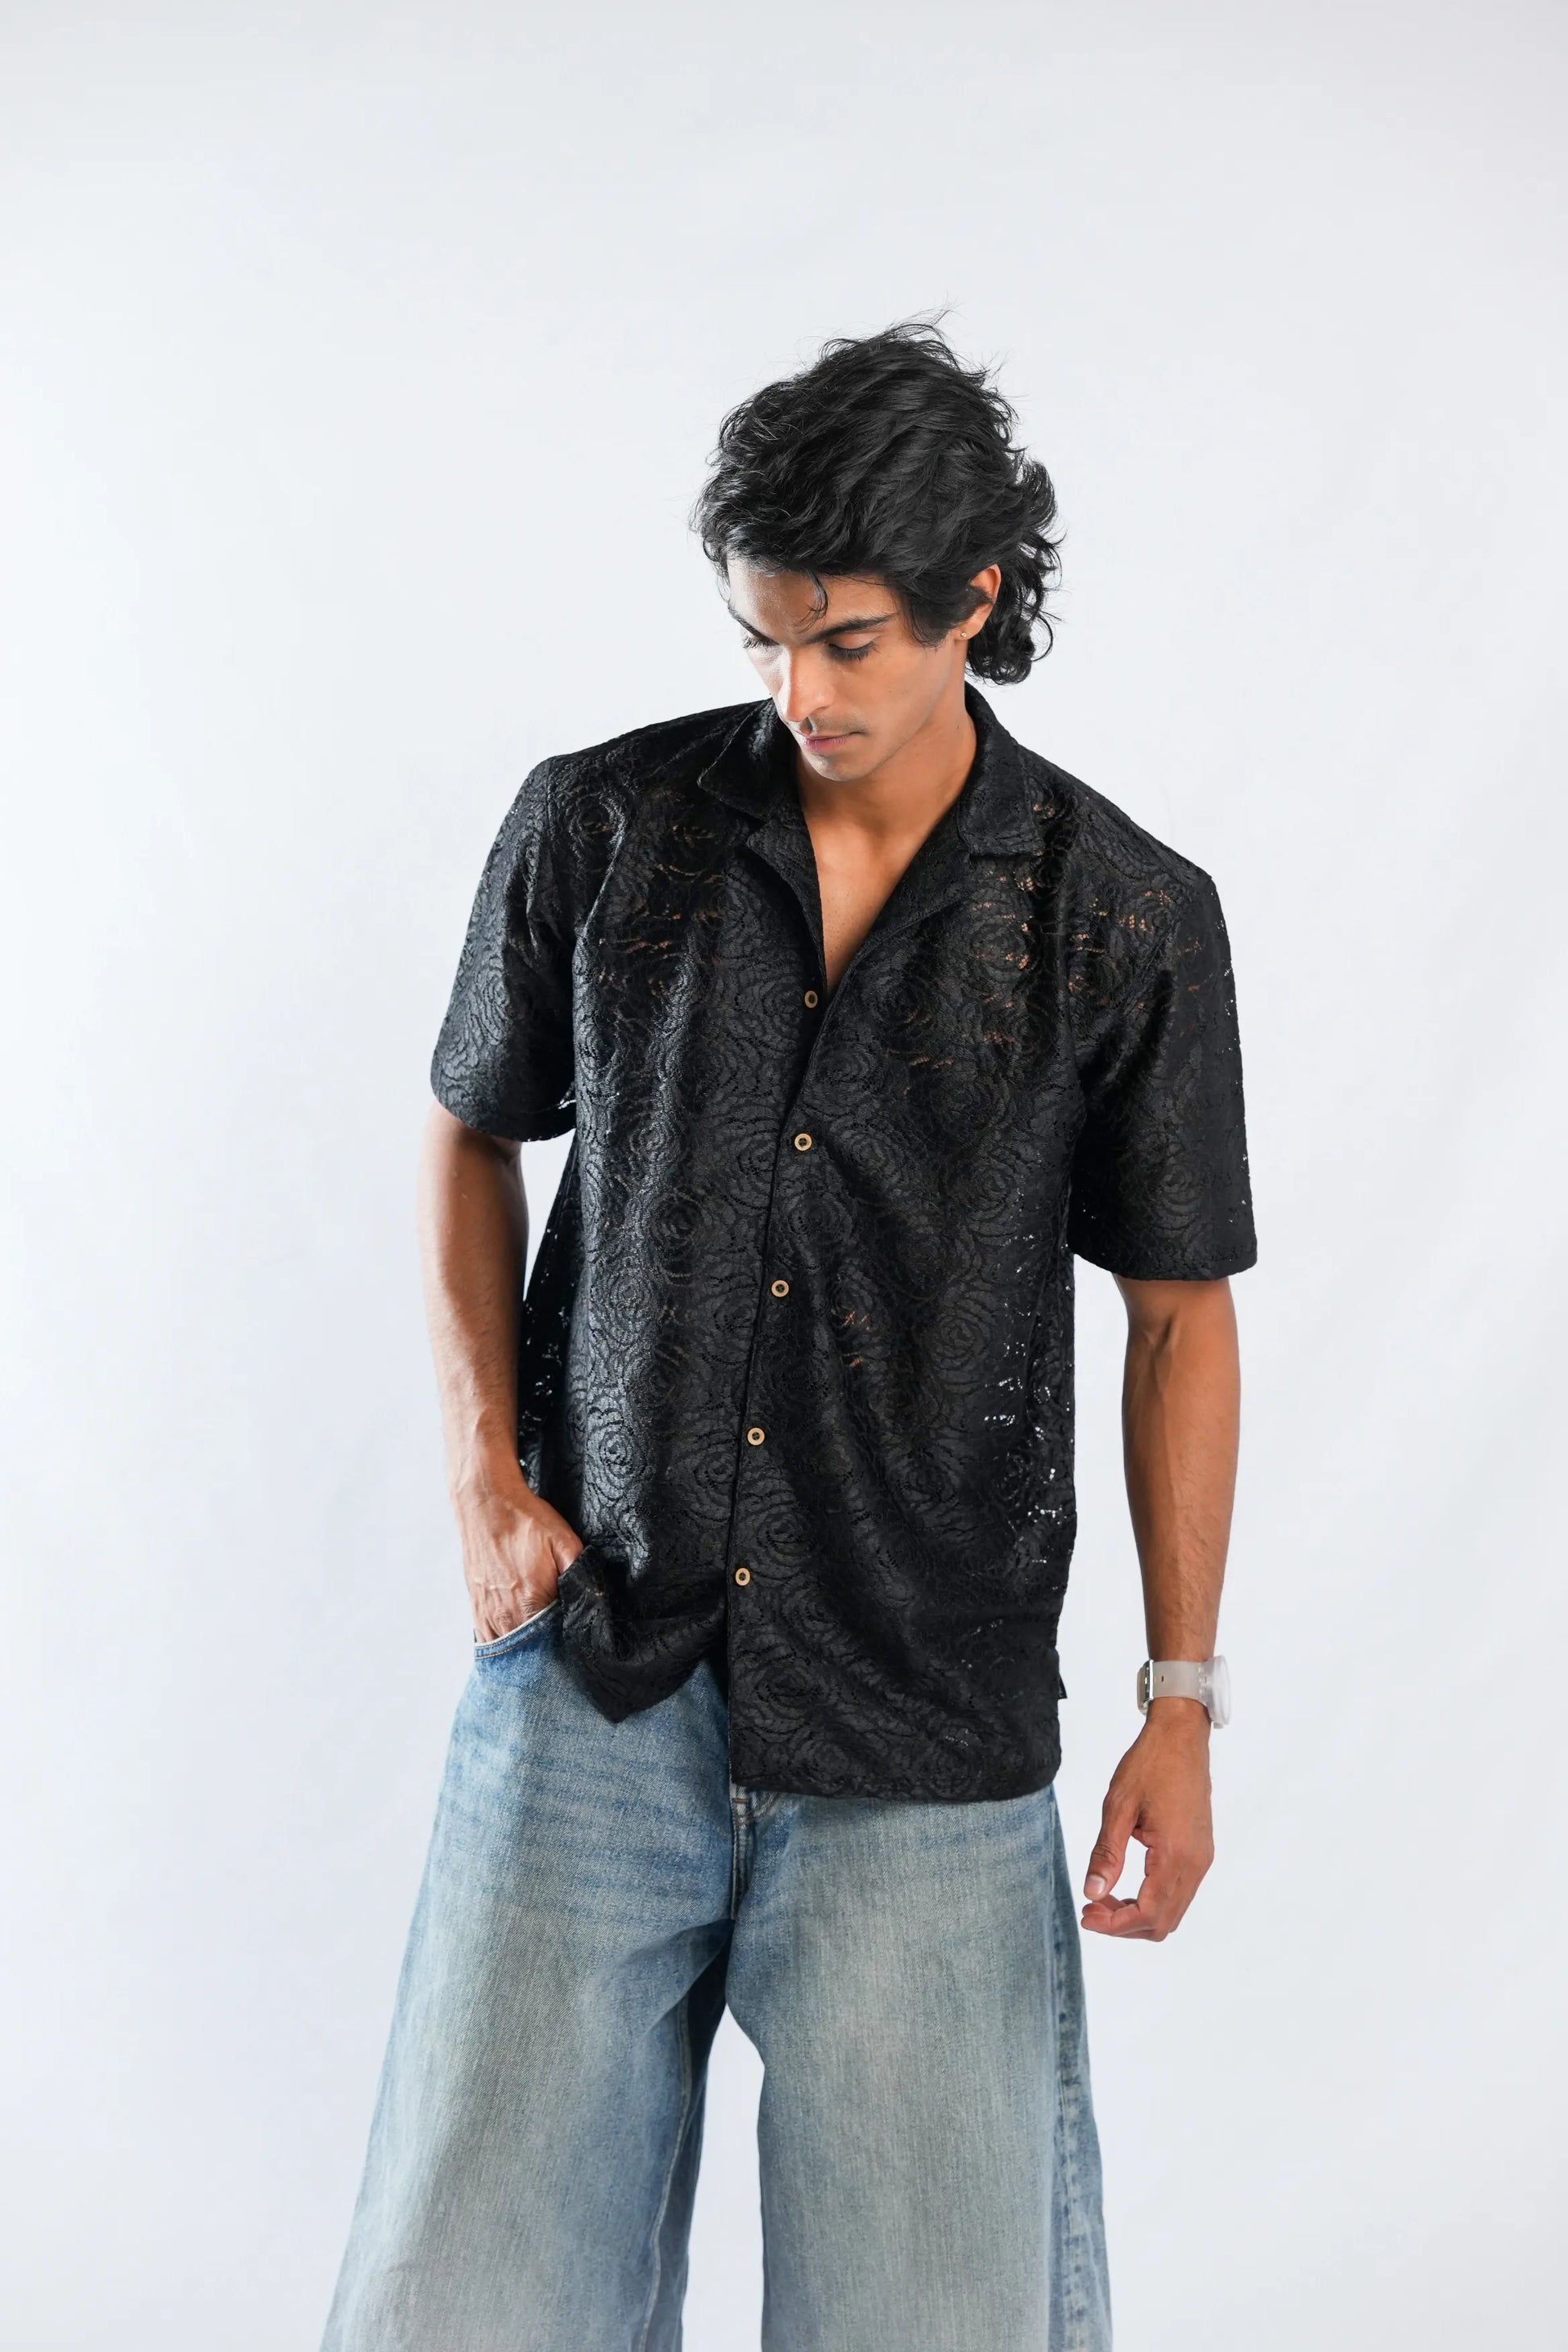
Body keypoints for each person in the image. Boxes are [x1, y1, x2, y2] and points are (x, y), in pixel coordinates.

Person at [321, 320, 1257, 2352]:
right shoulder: (604, 826)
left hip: (925, 1719)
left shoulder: (1119, 913)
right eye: (764, 638)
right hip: (596, 1671)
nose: (799, 691)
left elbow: (1179, 1315)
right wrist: (482, 1475)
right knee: (459, 2305)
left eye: (847, 642)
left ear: (973, 600)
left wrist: (1178, 1700)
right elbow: (470, 1125)